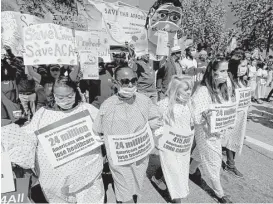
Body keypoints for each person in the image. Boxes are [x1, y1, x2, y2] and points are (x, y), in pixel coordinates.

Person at [1, 76, 104, 203]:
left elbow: (103, 127)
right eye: (60, 97)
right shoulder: (43, 114)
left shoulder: (87, 109)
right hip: (55, 181)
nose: (65, 100)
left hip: (88, 174)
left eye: (69, 96)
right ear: (53, 95)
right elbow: (28, 139)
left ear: (75, 92)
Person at [93, 67, 162, 203]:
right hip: (119, 158)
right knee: (124, 191)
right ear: (115, 82)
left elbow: (156, 118)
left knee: (136, 186)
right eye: (125, 81)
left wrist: (151, 125)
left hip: (140, 156)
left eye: (133, 80)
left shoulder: (144, 100)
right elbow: (98, 129)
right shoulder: (107, 105)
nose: (130, 85)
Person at [189, 58, 232, 203]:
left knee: (200, 153)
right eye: (222, 71)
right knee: (214, 160)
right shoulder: (202, 91)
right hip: (206, 133)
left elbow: (227, 107)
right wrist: (205, 116)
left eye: (227, 70)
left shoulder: (223, 88)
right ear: (213, 72)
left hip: (219, 131)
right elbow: (196, 116)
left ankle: (191, 171)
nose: (226, 74)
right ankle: (220, 193)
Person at [153, 75, 194, 203]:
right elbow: (156, 121)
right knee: (174, 171)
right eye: (186, 90)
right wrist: (161, 135)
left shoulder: (189, 103)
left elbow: (192, 121)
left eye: (190, 89)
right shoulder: (164, 104)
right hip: (169, 144)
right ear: (176, 90)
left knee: (181, 169)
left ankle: (157, 176)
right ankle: (177, 199)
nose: (189, 92)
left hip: (184, 145)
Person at [222, 50, 249, 178]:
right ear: (235, 65)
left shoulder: (241, 80)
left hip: (240, 117)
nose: (245, 69)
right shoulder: (227, 80)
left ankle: (230, 164)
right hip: (228, 117)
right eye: (242, 66)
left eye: (246, 66)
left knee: (234, 140)